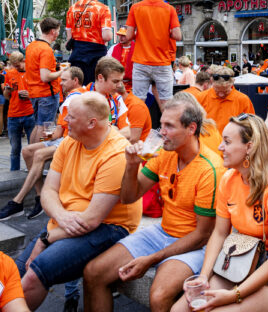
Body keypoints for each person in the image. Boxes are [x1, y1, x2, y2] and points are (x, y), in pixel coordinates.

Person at [83, 97, 224, 312]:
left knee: (158, 297)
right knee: (93, 272)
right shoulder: (164, 153)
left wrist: (150, 259)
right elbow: (129, 197)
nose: (162, 132)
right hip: (163, 231)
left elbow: (202, 235)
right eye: (162, 125)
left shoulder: (209, 169)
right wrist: (131, 166)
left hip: (195, 243)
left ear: (191, 129)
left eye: (169, 126)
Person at [14, 92, 141, 310]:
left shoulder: (115, 153)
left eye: (71, 117)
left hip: (109, 228)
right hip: (67, 224)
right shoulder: (70, 142)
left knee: (36, 273)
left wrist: (46, 239)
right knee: (14, 274)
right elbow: (48, 192)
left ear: (92, 123)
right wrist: (61, 217)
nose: (64, 121)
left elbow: (91, 221)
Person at [171, 114, 268, 312]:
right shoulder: (229, 179)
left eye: (227, 142)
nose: (219, 147)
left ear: (249, 147)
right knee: (179, 310)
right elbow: (220, 233)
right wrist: (204, 277)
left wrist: (234, 295)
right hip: (243, 258)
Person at [0, 67, 84, 222]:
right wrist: (46, 136)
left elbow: (58, 134)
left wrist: (44, 136)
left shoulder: (72, 100)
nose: (60, 83)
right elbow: (57, 132)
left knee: (38, 154)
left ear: (75, 81)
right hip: (64, 138)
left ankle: (17, 202)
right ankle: (39, 195)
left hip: (72, 142)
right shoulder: (76, 96)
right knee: (27, 151)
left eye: (64, 80)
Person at [125, 0, 182, 109]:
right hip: (162, 62)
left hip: (141, 61)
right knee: (167, 102)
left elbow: (127, 35)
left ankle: (139, 129)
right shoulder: (169, 9)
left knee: (138, 102)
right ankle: (168, 129)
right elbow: (177, 35)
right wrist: (164, 32)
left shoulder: (136, 7)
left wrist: (139, 34)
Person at [66, 0, 113, 85]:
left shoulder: (72, 8)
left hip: (77, 53)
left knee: (78, 87)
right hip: (97, 54)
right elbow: (107, 36)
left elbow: (69, 38)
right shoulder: (103, 8)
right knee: (95, 87)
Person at [24, 17, 62, 146]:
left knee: (38, 126)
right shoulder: (46, 49)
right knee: (45, 128)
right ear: (53, 32)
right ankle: (40, 155)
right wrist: (62, 71)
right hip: (47, 93)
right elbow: (45, 76)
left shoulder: (31, 46)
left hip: (34, 92)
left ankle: (32, 153)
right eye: (58, 31)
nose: (58, 34)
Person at [197, 65, 254, 137]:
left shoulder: (243, 100)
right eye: (217, 90)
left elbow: (251, 126)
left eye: (225, 91)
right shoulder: (201, 97)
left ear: (232, 83)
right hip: (207, 143)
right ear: (212, 82)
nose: (221, 94)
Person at [3, 52, 35, 172]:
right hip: (13, 114)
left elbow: (39, 93)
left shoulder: (32, 73)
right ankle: (14, 171)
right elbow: (6, 96)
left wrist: (30, 94)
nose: (16, 68)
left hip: (30, 113)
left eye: (18, 65)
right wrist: (7, 90)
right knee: (15, 148)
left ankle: (32, 170)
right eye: (14, 65)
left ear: (23, 60)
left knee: (32, 145)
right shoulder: (10, 73)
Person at [107, 27, 134, 92]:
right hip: (116, 84)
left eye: (123, 36)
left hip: (133, 85)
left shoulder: (137, 48)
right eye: (120, 35)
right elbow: (107, 64)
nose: (120, 38)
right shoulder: (113, 48)